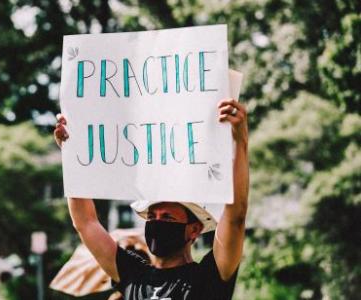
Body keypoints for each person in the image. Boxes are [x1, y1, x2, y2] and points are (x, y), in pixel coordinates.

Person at [53, 99, 249, 300]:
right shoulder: (133, 276)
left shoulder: (208, 278)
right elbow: (86, 222)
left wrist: (240, 142)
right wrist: (70, 155)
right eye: (152, 216)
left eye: (167, 217)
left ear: (194, 229)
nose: (156, 223)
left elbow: (236, 218)